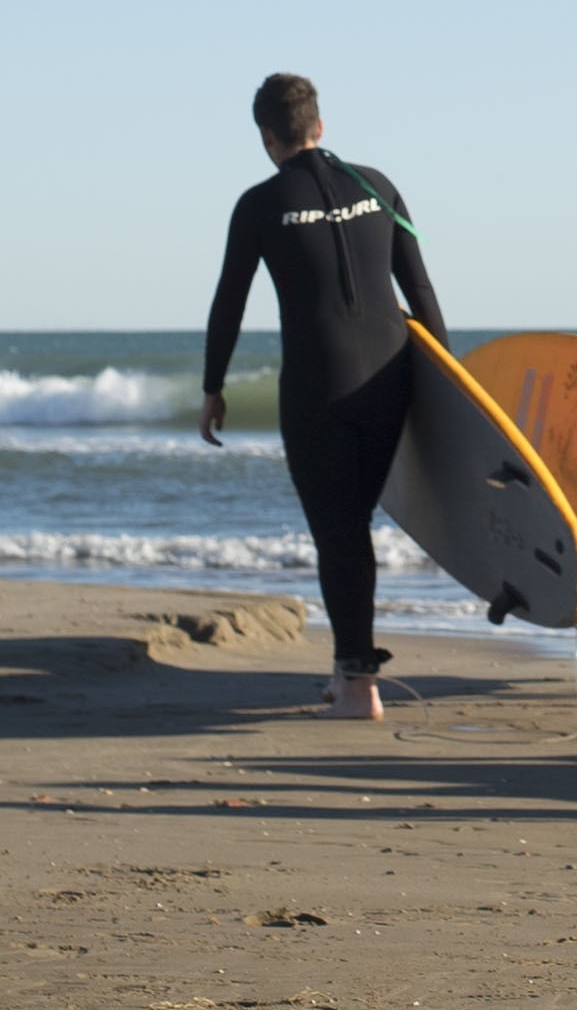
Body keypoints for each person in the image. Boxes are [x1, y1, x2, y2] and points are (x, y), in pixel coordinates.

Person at [200, 73, 446, 722]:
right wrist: (448, 386)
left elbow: (229, 300)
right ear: (321, 124)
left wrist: (213, 385)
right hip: (391, 377)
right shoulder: (377, 185)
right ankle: (347, 671)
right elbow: (420, 289)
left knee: (339, 533)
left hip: (320, 383)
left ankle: (359, 683)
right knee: (353, 527)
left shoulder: (259, 202)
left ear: (267, 136)